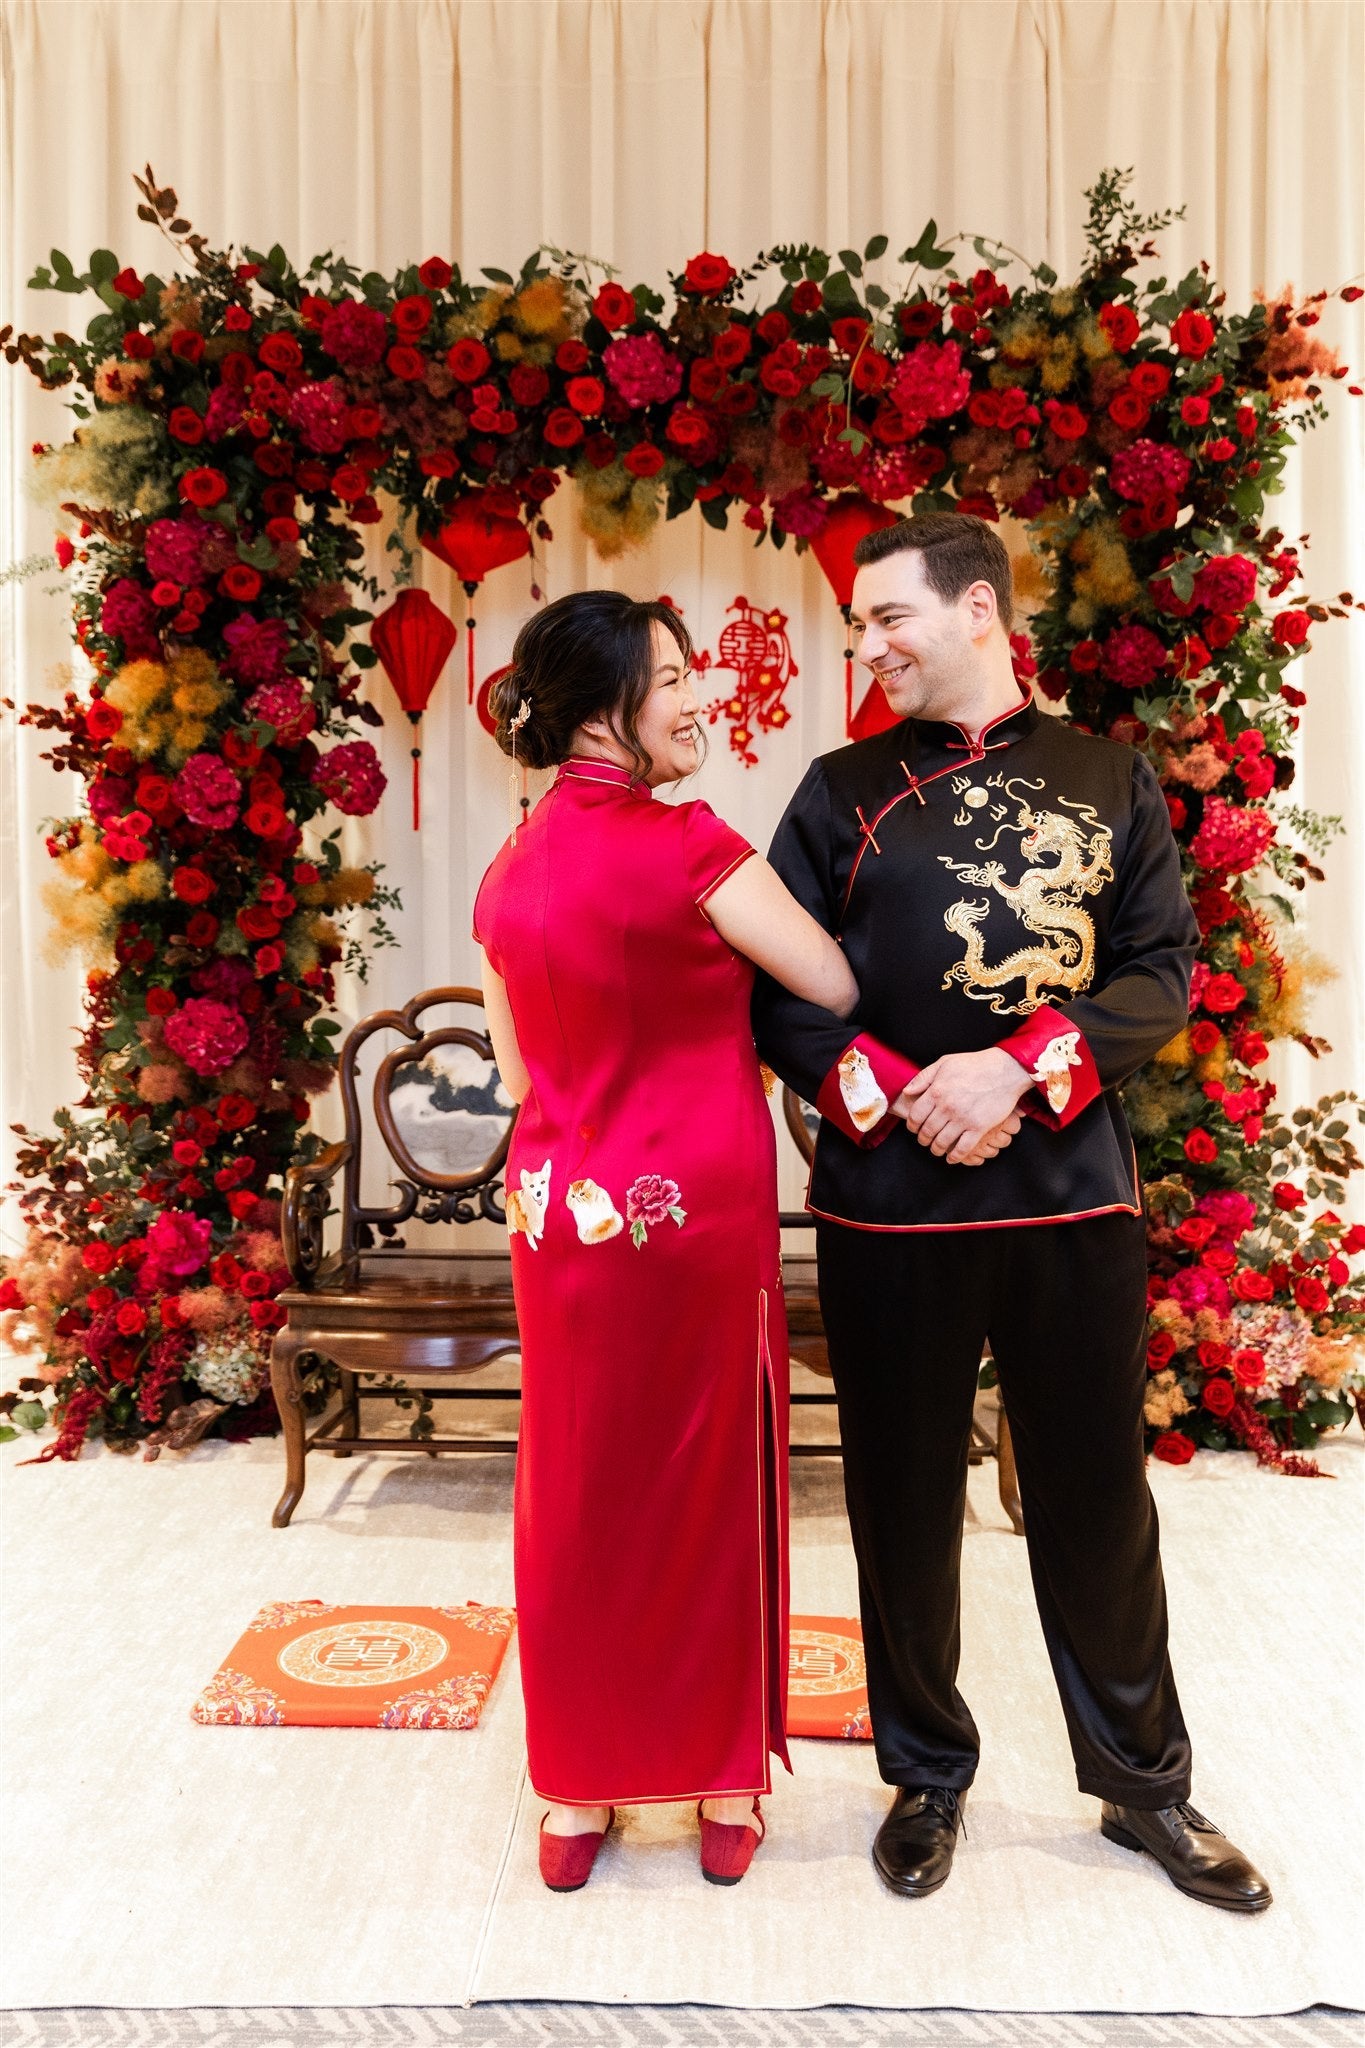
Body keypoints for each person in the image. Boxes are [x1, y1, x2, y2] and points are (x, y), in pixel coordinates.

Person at [752, 513, 1271, 1913]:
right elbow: (775, 987)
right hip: (889, 1212)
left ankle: (1143, 1787)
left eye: (885, 620)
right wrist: (899, 1092)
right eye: (857, 625)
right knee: (900, 1506)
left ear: (976, 610)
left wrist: (1012, 1072)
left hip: (1066, 1211)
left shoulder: (1108, 780)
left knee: (1098, 1504)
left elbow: (1157, 973)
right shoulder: (836, 788)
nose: (865, 647)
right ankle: (925, 1775)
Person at [472, 590, 1018, 1893]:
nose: (697, 695)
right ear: (603, 704)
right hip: (694, 1210)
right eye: (671, 677)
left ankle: (574, 1796)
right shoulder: (691, 847)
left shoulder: (503, 875)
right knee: (709, 1484)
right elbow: (829, 985)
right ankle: (721, 1788)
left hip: (562, 1220)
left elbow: (509, 1070)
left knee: (572, 1487)